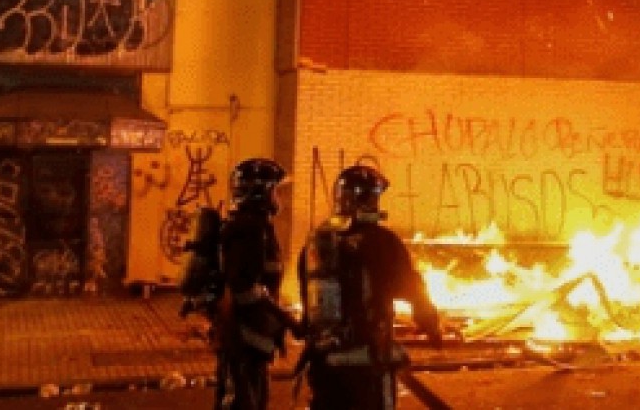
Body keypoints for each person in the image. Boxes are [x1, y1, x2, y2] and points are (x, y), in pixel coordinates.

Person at [297, 164, 443, 410]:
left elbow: (307, 302)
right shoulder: (383, 242)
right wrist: (430, 323)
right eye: (374, 197)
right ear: (364, 201)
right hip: (368, 362)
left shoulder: (316, 244)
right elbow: (410, 288)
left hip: (325, 362)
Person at [178, 157, 297, 410]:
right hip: (242, 337)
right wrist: (287, 319)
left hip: (249, 337)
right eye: (275, 190)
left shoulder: (252, 226)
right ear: (259, 192)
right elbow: (244, 288)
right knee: (240, 403)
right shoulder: (249, 229)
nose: (279, 198)